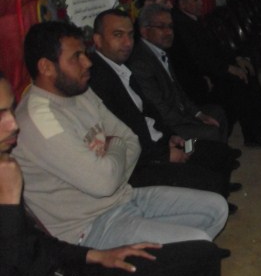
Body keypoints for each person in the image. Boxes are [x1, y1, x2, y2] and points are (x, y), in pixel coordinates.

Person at [0, 72, 223, 276]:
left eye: (10, 109)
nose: (13, 123)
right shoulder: (35, 127)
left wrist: (93, 255)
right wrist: (8, 207)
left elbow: (37, 244)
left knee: (205, 253)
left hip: (72, 272)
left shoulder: (7, 166)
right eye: (0, 114)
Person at [13, 21, 229, 249]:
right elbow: (105, 180)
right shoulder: (40, 120)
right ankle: (178, 261)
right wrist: (116, 147)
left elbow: (131, 140)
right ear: (46, 67)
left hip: (124, 195)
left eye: (85, 53)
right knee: (198, 243)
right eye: (76, 57)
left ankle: (171, 262)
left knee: (217, 208)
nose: (87, 62)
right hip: (90, 226)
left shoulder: (80, 92)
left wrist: (112, 158)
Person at [90, 9, 241, 213]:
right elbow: (125, 134)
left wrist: (171, 137)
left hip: (163, 142)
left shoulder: (122, 68)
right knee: (204, 172)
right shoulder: (99, 79)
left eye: (130, 35)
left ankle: (217, 193)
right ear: (97, 40)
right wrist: (164, 154)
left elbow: (151, 112)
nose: (127, 42)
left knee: (217, 152)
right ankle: (212, 196)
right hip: (145, 161)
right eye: (118, 35)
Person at [171, 0, 261, 147]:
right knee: (238, 80)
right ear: (182, 4)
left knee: (246, 69)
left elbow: (215, 47)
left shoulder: (192, 19)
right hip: (199, 76)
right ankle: (253, 135)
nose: (201, 3)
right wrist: (228, 68)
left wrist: (236, 58)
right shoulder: (181, 25)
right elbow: (199, 59)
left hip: (210, 66)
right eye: (195, 0)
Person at [128, 4, 230, 144]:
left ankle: (221, 153)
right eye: (161, 27)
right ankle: (200, 153)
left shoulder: (160, 51)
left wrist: (198, 114)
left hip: (178, 113)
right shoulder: (140, 62)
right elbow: (158, 109)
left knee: (218, 113)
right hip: (164, 125)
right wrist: (194, 120)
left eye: (171, 26)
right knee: (210, 131)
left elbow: (179, 92)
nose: (169, 32)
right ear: (144, 31)